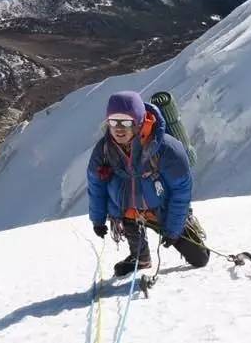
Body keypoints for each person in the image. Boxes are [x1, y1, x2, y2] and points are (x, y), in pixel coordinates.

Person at [87, 90, 209, 276]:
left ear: (138, 121)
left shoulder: (167, 148)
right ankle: (140, 258)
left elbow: (181, 190)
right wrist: (98, 219)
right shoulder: (104, 150)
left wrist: (174, 228)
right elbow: (96, 185)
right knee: (130, 224)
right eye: (113, 121)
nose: (119, 128)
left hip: (162, 209)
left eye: (126, 121)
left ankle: (187, 231)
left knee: (200, 260)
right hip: (127, 210)